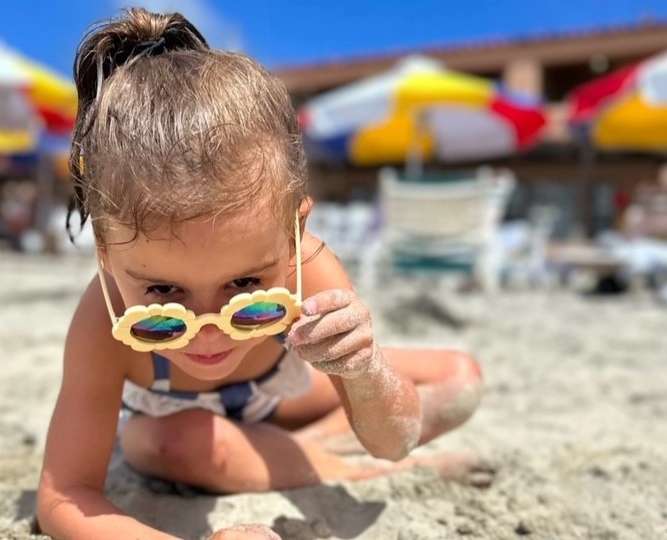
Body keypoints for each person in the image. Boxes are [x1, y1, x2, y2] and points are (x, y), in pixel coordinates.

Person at [36, 9, 485, 539]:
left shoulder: (310, 269)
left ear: (295, 237)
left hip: (281, 397)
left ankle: (303, 452)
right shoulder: (100, 321)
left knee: (458, 376)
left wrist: (364, 370)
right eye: (162, 300)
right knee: (164, 444)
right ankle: (343, 468)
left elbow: (392, 436)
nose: (209, 330)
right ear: (106, 255)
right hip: (181, 433)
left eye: (247, 291)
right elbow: (64, 497)